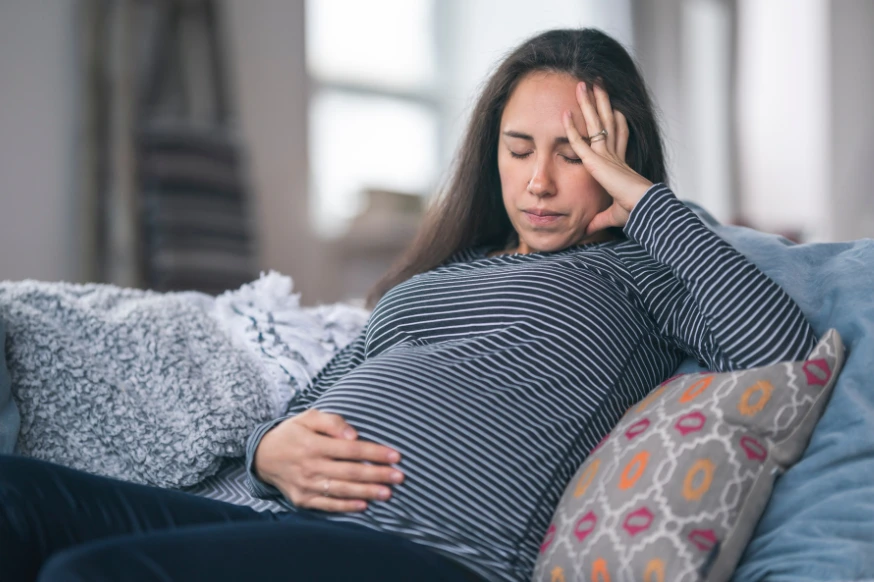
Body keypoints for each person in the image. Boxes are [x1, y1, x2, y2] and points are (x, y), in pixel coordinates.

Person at [0, 28, 815, 582]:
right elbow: (317, 400)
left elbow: (781, 343)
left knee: (91, 575)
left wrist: (646, 202)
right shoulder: (437, 278)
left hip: (429, 555)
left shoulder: (641, 272)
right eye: (519, 147)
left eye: (574, 155)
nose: (537, 182)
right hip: (279, 521)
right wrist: (268, 450)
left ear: (619, 160)